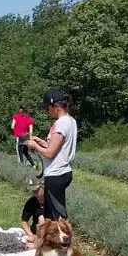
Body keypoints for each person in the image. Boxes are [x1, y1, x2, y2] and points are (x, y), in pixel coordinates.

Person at [23, 89, 77, 220]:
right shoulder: (71, 121)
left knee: (57, 217)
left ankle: (62, 239)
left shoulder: (61, 124)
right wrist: (41, 142)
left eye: (47, 108)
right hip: (62, 172)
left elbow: (50, 153)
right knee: (53, 213)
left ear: (56, 106)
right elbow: (58, 148)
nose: (47, 112)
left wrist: (34, 146)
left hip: (56, 174)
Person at [20, 176, 45, 249]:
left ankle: (39, 244)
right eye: (33, 191)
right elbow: (24, 221)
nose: (35, 193)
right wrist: (30, 234)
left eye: (37, 190)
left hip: (49, 231)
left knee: (42, 219)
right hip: (35, 231)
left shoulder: (51, 200)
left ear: (42, 187)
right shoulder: (31, 202)